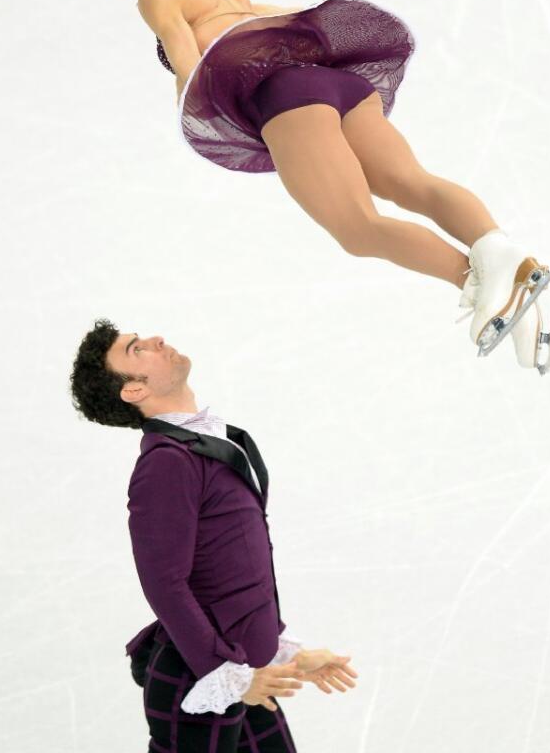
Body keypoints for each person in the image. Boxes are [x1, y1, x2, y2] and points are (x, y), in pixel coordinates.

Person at [61, 0, 550, 371]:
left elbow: (195, 73)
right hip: (337, 85)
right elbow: (290, 20)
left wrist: (199, 120)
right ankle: (507, 259)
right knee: (410, 181)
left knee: (357, 228)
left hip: (288, 99)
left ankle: (483, 287)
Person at [70, 319, 358, 751]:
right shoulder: (167, 463)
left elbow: (232, 566)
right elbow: (164, 582)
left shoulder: (205, 442)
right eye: (136, 349)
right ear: (133, 390)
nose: (155, 339)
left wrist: (282, 653)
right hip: (203, 683)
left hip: (246, 674)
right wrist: (227, 675)